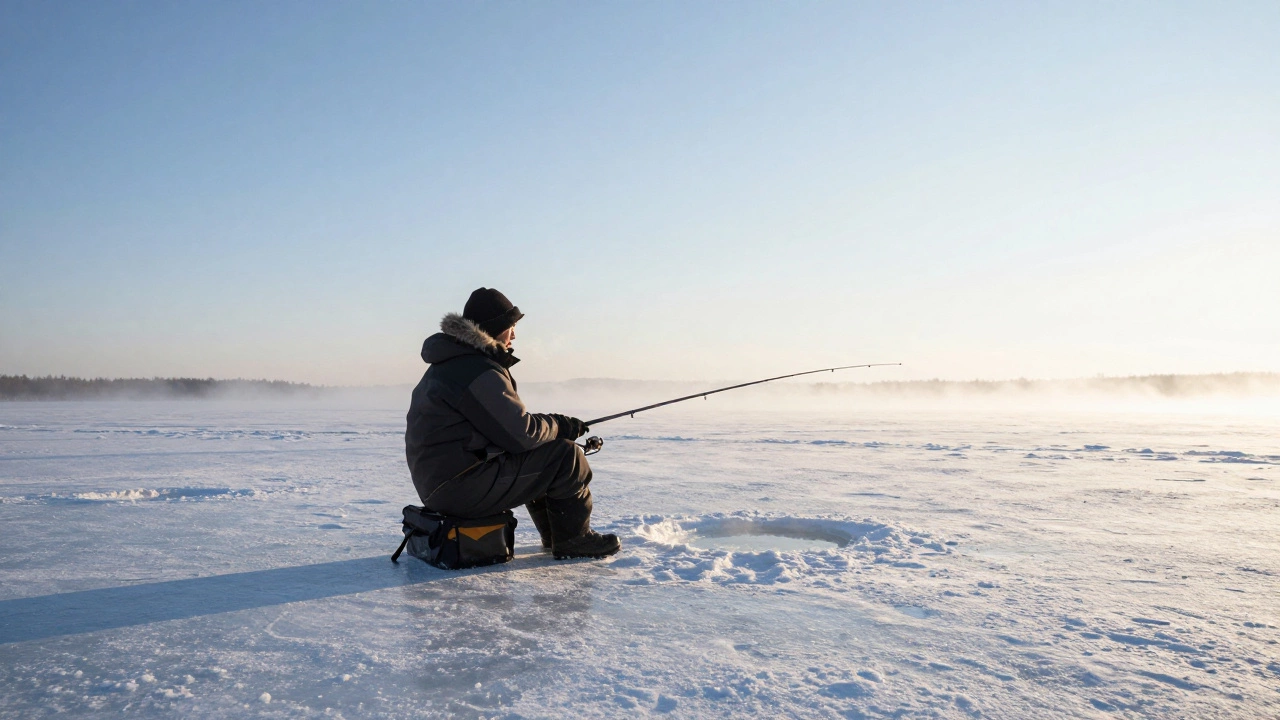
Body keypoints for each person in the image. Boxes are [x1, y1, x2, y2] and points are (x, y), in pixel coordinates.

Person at [405, 287, 621, 560]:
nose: (515, 334)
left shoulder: (452, 364)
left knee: (544, 451)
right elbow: (522, 434)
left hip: (444, 484)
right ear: (493, 329)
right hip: (459, 487)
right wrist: (559, 426)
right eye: (511, 326)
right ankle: (574, 541)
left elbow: (509, 431)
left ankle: (557, 536)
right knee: (567, 457)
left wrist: (553, 428)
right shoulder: (475, 369)